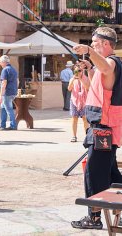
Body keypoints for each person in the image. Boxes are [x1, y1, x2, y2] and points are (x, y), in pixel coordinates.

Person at [71, 27, 122, 230]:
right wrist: (88, 70)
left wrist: (90, 53)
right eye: (91, 44)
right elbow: (98, 87)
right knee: (110, 174)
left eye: (95, 43)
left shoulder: (111, 62)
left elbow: (107, 69)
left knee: (94, 171)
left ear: (106, 44)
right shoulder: (104, 67)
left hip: (103, 128)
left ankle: (94, 218)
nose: (92, 46)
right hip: (103, 127)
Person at [68, 64, 89, 142]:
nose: (78, 72)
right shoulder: (72, 79)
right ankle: (74, 136)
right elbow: (69, 89)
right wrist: (73, 79)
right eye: (76, 71)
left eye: (79, 71)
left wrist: (81, 79)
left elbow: (87, 87)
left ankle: (87, 136)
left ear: (82, 71)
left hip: (84, 101)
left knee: (85, 118)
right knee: (74, 118)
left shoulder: (86, 78)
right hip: (74, 100)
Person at [0, 55, 18, 130]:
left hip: (7, 92)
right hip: (13, 91)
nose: (0, 63)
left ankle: (13, 125)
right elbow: (17, 81)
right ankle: (2, 125)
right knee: (3, 108)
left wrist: (1, 95)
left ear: (4, 62)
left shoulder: (5, 70)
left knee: (9, 109)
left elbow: (4, 83)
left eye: (0, 62)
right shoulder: (13, 69)